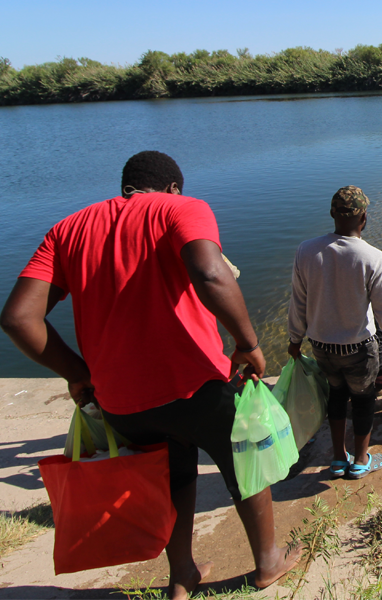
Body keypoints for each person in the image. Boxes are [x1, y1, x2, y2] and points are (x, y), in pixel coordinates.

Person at [0, 151, 300, 600]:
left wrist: (76, 372)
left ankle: (182, 576)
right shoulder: (181, 208)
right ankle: (268, 562)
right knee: (245, 466)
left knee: (173, 476)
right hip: (193, 384)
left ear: (127, 185)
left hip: (120, 400)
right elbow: (210, 272)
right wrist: (249, 344)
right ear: (173, 187)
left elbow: (19, 318)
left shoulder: (68, 229)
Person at [287, 186, 382, 480]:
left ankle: (338, 459)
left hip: (321, 346)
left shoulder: (306, 251)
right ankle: (361, 460)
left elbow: (298, 302)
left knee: (336, 395)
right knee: (363, 400)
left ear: (333, 214)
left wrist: (294, 340)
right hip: (358, 349)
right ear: (364, 218)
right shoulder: (373, 258)